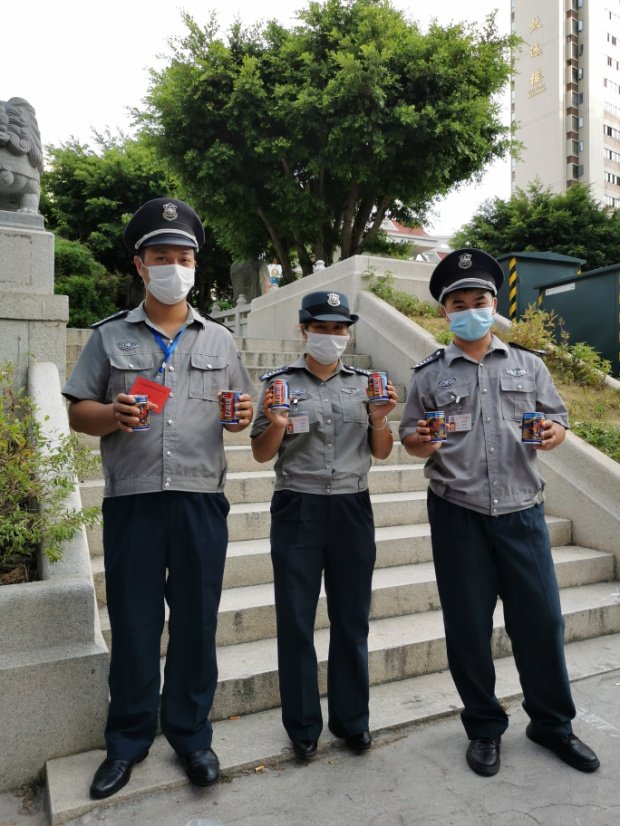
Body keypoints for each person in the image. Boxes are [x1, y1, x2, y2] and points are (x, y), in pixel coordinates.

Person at [62, 198, 255, 799]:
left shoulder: (221, 340)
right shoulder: (108, 336)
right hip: (134, 502)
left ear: (196, 266)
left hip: (200, 502)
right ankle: (127, 741)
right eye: (162, 256)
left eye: (184, 258)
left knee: (196, 623)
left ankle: (192, 736)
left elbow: (241, 410)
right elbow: (78, 411)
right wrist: (111, 415)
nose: (174, 266)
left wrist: (242, 415)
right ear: (141, 265)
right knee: (135, 623)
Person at [399, 248, 600, 778]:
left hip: (522, 512)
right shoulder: (428, 375)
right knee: (468, 627)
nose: (471, 310)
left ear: (495, 303)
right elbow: (411, 437)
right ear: (445, 311)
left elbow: (556, 420)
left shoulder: (530, 365)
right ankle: (484, 727)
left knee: (542, 622)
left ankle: (552, 724)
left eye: (480, 300)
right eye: (459, 303)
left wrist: (554, 433)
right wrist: (422, 441)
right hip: (457, 512)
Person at [250, 291, 397, 759]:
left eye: (339, 328)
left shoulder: (366, 384)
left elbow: (381, 451)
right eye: (322, 328)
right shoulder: (278, 384)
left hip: (352, 506)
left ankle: (352, 720)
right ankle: (302, 725)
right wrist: (276, 422)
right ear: (304, 330)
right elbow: (261, 453)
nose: (331, 336)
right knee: (296, 619)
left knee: (352, 617)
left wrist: (379, 419)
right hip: (298, 505)